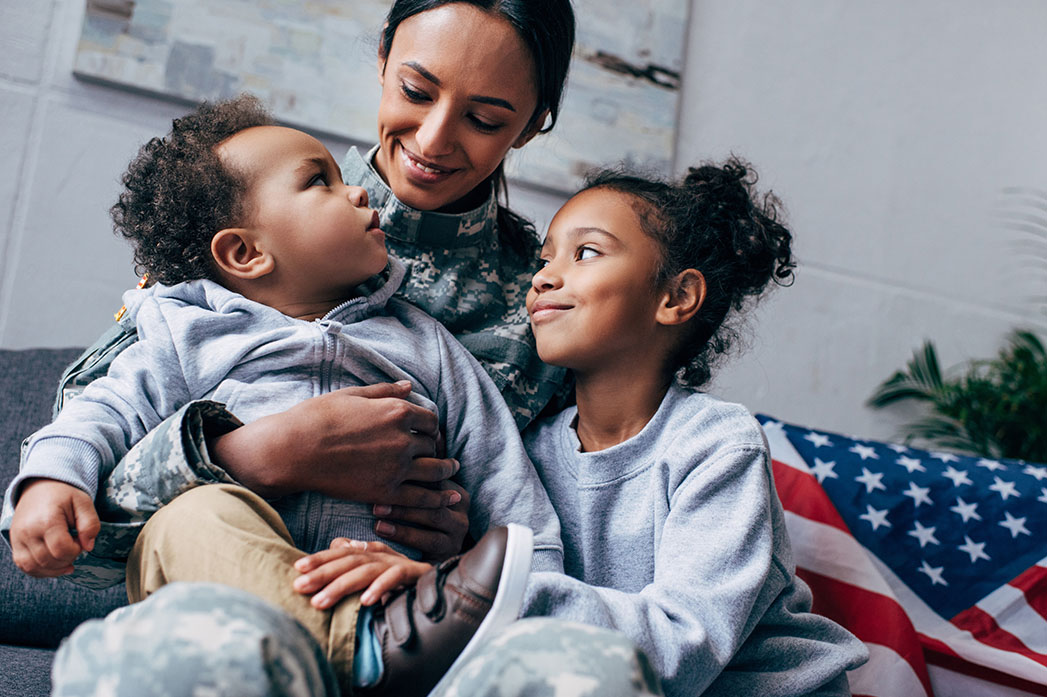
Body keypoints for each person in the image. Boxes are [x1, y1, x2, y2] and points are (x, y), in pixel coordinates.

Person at [5, 94, 558, 696]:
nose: (359, 193)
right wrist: (51, 480)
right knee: (190, 516)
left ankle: (359, 648)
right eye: (320, 182)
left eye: (487, 116)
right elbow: (103, 411)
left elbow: (505, 481)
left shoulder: (425, 342)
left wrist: (526, 594)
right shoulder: (186, 333)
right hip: (229, 624)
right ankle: (355, 646)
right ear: (245, 253)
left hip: (383, 591)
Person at [296, 159, 869, 696]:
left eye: (586, 252)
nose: (544, 278)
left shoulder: (715, 444)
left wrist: (464, 593)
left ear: (676, 296)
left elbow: (681, 646)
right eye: (545, 259)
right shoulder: (526, 454)